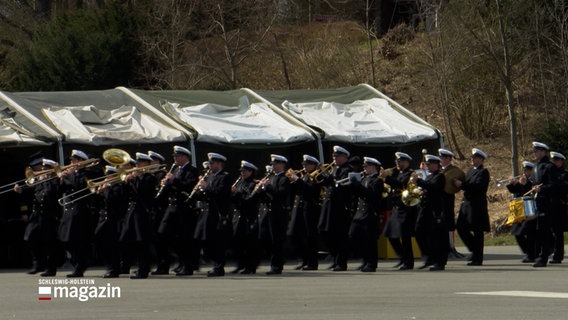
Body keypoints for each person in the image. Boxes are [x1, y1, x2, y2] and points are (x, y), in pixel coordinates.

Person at [156, 146, 198, 276]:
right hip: (171, 207)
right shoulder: (176, 170)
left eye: (177, 156)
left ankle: (187, 266)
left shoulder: (192, 170)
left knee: (184, 238)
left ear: (184, 157)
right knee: (162, 234)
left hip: (183, 207)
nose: (175, 159)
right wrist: (165, 183)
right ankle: (169, 262)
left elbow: (188, 186)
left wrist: (174, 180)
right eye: (174, 156)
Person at [17, 158, 62, 276]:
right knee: (30, 238)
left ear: (51, 170)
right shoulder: (40, 181)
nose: (43, 171)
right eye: (43, 169)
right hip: (36, 214)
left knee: (49, 242)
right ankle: (38, 264)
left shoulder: (55, 181)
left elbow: (52, 192)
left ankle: (50, 268)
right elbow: (31, 191)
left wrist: (46, 180)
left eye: (46, 169)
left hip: (49, 215)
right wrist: (21, 189)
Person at [58, 149, 96, 277]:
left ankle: (80, 266)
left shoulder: (88, 173)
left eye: (73, 160)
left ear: (81, 161)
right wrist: (62, 178)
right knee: (65, 239)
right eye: (71, 160)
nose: (71, 162)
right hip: (69, 210)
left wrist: (69, 175)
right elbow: (61, 190)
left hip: (81, 210)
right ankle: (78, 263)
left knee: (78, 240)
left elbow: (79, 186)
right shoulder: (71, 174)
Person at [193, 152, 232, 277]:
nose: (210, 165)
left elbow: (220, 193)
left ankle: (219, 267)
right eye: (209, 163)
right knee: (204, 239)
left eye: (212, 163)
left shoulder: (224, 177)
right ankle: (214, 263)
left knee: (217, 241)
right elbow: (208, 194)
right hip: (206, 212)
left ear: (219, 164)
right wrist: (199, 191)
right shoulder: (210, 176)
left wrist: (206, 187)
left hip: (217, 213)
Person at [120, 153, 158, 279]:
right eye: (137, 163)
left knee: (143, 243)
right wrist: (126, 182)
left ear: (147, 164)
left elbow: (142, 192)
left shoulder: (149, 178)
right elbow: (126, 195)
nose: (137, 165)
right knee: (132, 241)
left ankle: (143, 269)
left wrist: (135, 179)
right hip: (132, 213)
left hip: (143, 214)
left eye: (140, 163)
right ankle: (139, 267)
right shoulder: (136, 177)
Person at [254, 154, 291, 275]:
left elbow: (281, 194)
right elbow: (267, 196)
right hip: (268, 212)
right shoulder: (272, 178)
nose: (273, 166)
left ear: (281, 164)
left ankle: (276, 266)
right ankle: (276, 261)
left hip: (278, 213)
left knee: (276, 240)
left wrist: (267, 187)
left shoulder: (284, 178)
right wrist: (260, 190)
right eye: (272, 164)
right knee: (264, 238)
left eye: (275, 164)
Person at [318, 145, 353, 272]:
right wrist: (322, 176)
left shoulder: (347, 169)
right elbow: (326, 182)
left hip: (339, 206)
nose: (334, 158)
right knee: (323, 231)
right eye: (334, 156)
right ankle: (335, 256)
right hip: (328, 205)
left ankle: (341, 262)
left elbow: (341, 184)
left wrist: (330, 177)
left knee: (339, 235)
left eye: (337, 156)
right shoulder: (334, 169)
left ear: (345, 157)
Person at [381, 152, 418, 270]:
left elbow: (402, 185)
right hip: (396, 207)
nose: (397, 163)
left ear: (406, 162)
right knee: (390, 235)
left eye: (400, 161)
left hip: (405, 208)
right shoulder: (398, 173)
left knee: (405, 237)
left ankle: (409, 262)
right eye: (396, 161)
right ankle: (403, 257)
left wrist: (387, 178)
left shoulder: (410, 173)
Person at [286, 154, 322, 271]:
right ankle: (302, 259)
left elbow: (311, 190)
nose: (305, 167)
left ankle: (312, 262)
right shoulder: (304, 176)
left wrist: (297, 180)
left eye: (308, 165)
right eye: (304, 164)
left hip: (310, 209)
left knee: (309, 237)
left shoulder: (316, 176)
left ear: (314, 166)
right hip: (298, 209)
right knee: (294, 234)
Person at [455, 148, 490, 266]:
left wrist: (463, 185)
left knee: (478, 232)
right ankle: (474, 250)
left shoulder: (483, 172)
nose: (472, 159)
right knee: (460, 227)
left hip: (477, 205)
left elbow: (478, 187)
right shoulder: (470, 171)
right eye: (472, 157)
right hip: (467, 204)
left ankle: (478, 258)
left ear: (481, 159)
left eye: (475, 157)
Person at [348, 157, 384, 272]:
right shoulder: (364, 179)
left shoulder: (377, 181)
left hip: (370, 213)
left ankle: (371, 263)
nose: (364, 168)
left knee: (370, 240)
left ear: (373, 167)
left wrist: (357, 185)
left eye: (366, 166)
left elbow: (371, 195)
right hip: (359, 213)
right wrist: (352, 185)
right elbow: (358, 194)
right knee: (353, 236)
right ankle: (365, 259)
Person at [413, 155, 447, 271]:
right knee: (419, 232)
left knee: (435, 237)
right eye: (426, 164)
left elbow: (434, 187)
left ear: (436, 164)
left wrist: (418, 181)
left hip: (434, 210)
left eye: (429, 164)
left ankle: (439, 261)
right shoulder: (429, 176)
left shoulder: (440, 176)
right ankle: (429, 256)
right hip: (424, 209)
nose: (427, 166)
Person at [93, 165, 128, 278]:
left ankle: (113, 269)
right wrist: (99, 193)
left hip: (113, 220)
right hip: (104, 219)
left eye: (109, 175)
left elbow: (113, 200)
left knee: (111, 245)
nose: (106, 178)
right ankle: (109, 266)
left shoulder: (119, 186)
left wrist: (106, 188)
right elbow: (101, 203)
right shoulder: (108, 187)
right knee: (101, 242)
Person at [529, 142, 557, 267]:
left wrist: (542, 189)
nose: (535, 153)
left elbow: (554, 185)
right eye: (534, 151)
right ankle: (540, 253)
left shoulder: (549, 167)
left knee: (544, 231)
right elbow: (534, 183)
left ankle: (543, 257)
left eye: (537, 151)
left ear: (543, 152)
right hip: (537, 202)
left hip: (546, 202)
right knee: (539, 230)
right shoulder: (535, 166)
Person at [231, 160, 261, 274]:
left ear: (251, 172)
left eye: (245, 171)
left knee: (249, 243)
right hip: (238, 215)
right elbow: (235, 200)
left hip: (249, 215)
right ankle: (240, 264)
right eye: (242, 171)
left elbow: (250, 199)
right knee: (237, 241)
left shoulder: (254, 183)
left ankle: (250, 266)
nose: (242, 173)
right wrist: (232, 193)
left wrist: (237, 193)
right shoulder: (239, 182)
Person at [505, 161, 536, 263]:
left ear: (531, 171)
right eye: (523, 170)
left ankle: (531, 254)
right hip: (519, 209)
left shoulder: (533, 180)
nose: (524, 172)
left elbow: (531, 191)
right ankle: (529, 252)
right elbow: (514, 191)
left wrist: (524, 184)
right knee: (516, 232)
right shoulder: (522, 180)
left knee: (530, 233)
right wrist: (511, 183)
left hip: (530, 208)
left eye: (526, 170)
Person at [438, 148, 465, 258]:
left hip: (447, 199)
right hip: (437, 200)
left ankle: (450, 247)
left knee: (449, 222)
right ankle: (442, 247)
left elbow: (460, 180)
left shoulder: (455, 170)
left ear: (449, 158)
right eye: (440, 157)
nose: (440, 160)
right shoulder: (438, 169)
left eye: (443, 157)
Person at [548, 151, 568, 264]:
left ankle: (558, 255)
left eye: (556, 160)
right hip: (550, 205)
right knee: (549, 230)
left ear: (561, 161)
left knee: (558, 232)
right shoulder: (551, 174)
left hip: (559, 205)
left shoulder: (565, 174)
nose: (554, 162)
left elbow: (565, 188)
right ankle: (551, 250)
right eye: (553, 160)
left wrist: (555, 185)